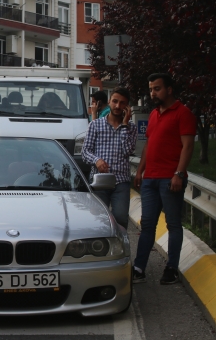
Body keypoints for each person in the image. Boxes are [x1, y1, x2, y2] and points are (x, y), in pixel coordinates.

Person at [133, 73, 196, 285]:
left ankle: (171, 268)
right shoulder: (153, 114)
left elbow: (188, 146)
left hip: (170, 179)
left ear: (169, 89)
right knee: (148, 224)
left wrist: (179, 173)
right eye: (151, 89)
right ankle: (139, 267)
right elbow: (149, 145)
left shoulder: (183, 113)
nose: (153, 93)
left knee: (173, 224)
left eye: (157, 88)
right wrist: (140, 170)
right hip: (150, 178)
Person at [82, 87, 137, 229]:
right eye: (115, 101)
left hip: (121, 181)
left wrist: (125, 125)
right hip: (99, 180)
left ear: (127, 107)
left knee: (120, 218)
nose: (118, 106)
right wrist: (97, 160)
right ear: (109, 102)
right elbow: (85, 152)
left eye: (122, 103)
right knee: (98, 220)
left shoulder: (131, 128)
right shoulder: (95, 124)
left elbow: (128, 151)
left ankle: (121, 248)